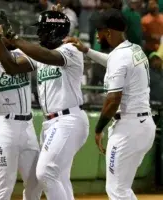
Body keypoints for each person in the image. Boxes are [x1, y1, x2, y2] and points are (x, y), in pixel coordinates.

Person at [0, 9, 89, 200]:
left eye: (42, 29)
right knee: (60, 177)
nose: (39, 33)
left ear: (54, 30)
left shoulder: (70, 50)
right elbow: (11, 66)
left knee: (45, 173)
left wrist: (13, 38)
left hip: (69, 119)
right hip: (51, 123)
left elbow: (48, 57)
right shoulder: (40, 55)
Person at [64, 8, 156, 200]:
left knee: (116, 190)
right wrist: (86, 50)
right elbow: (113, 61)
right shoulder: (134, 49)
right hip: (144, 127)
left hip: (128, 130)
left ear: (108, 32)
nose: (97, 35)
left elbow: (113, 100)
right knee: (123, 188)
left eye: (99, 30)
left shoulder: (120, 57)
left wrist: (99, 129)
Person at [0, 13, 42, 200]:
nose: (6, 33)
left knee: (36, 181)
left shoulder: (23, 54)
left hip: (27, 126)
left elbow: (14, 64)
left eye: (7, 29)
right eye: (0, 31)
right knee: (5, 185)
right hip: (5, 126)